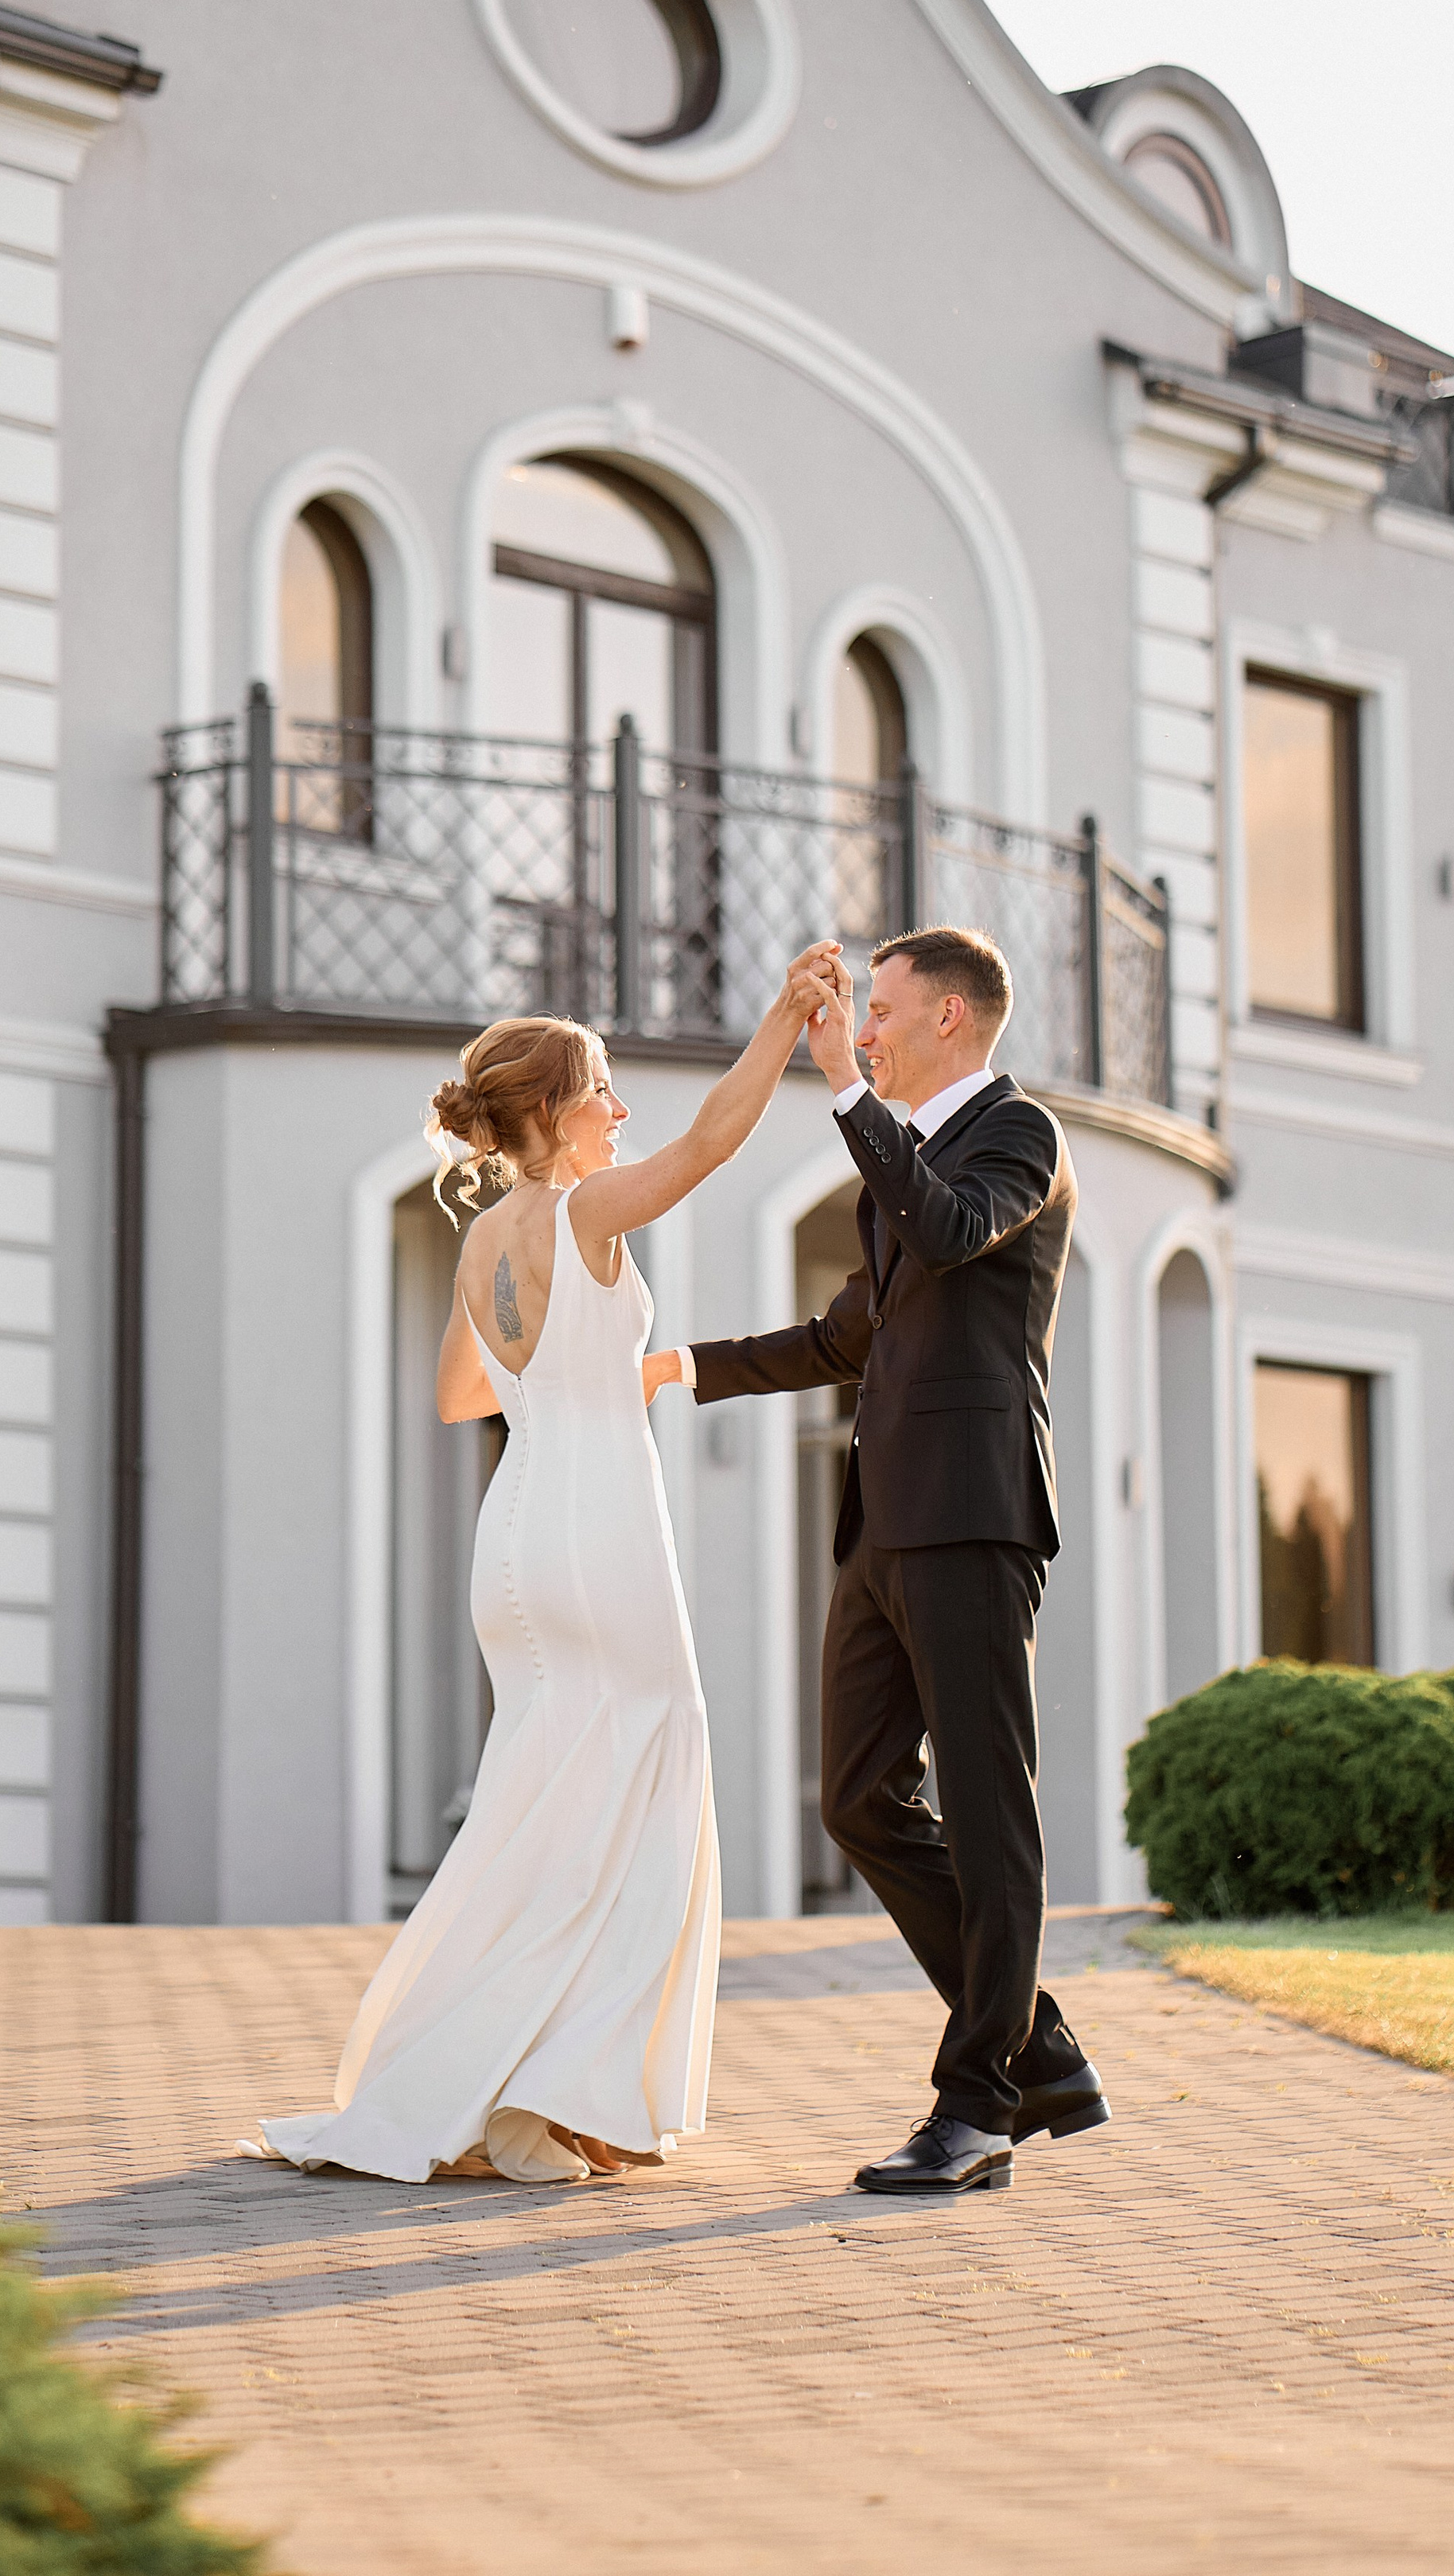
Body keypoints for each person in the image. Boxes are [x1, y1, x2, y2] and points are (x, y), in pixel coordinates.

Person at [252, 944, 841, 2188]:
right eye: (606, 1089)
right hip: (600, 1521)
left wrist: (569, 1372)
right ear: (550, 1114)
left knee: (537, 1804)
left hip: (515, 1530)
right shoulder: (578, 1210)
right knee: (652, 1764)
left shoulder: (480, 1243)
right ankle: (566, 2090)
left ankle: (499, 2086)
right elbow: (708, 1150)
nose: (622, 1110)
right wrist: (783, 1022)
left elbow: (463, 1392)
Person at [667, 924, 1109, 2196]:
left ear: (952, 1019)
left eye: (883, 1011)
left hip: (977, 1514)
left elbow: (955, 1224)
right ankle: (1037, 2050)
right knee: (858, 1798)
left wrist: (849, 1098)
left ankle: (976, 2106)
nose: (862, 1030)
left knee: (987, 1811)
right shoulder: (896, 1168)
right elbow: (851, 1332)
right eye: (863, 1017)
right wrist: (688, 1367)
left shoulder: (1019, 1137)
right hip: (883, 1523)